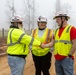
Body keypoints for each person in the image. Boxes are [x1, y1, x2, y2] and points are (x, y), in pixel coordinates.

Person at [43, 11, 76, 75]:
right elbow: (52, 43)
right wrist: (43, 45)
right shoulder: (56, 31)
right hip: (57, 59)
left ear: (63, 19)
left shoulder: (71, 29)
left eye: (58, 19)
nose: (56, 21)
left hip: (66, 59)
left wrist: (69, 55)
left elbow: (75, 44)